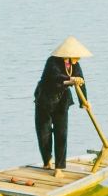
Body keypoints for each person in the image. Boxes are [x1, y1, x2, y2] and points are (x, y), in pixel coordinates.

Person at [34, 36, 92, 176]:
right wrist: (70, 80)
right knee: (44, 133)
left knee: (61, 133)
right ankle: (47, 160)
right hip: (45, 101)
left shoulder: (75, 65)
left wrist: (84, 101)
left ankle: (59, 168)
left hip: (62, 103)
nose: (78, 58)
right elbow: (55, 77)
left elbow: (81, 82)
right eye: (76, 55)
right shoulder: (52, 61)